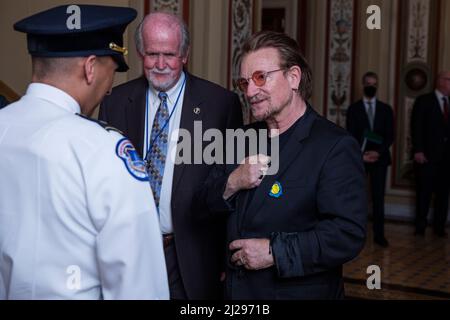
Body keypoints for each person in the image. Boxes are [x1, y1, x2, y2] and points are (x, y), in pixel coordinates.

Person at [0, 5, 169, 300]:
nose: (108, 90)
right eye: (112, 72)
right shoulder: (104, 149)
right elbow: (139, 286)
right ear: (90, 68)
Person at [199, 31, 367, 300]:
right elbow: (202, 205)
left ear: (293, 77)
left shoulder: (334, 146)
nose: (250, 92)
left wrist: (274, 252)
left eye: (261, 77)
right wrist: (232, 182)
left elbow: (347, 234)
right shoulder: (239, 138)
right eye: (245, 82)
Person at [99, 12, 243, 299]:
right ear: (141, 52)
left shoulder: (220, 104)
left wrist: (227, 257)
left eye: (169, 54)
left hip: (191, 255)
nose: (161, 64)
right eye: (152, 54)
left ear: (185, 54)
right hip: (128, 252)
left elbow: (231, 188)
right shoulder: (114, 102)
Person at [346, 72, 394, 248]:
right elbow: (350, 134)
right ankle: (356, 235)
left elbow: (390, 136)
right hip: (360, 159)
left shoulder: (386, 109)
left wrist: (377, 153)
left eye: (374, 84)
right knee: (358, 197)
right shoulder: (353, 109)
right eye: (368, 83)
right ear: (362, 84)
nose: (371, 86)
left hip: (380, 159)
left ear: (377, 85)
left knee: (378, 197)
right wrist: (362, 154)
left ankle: (379, 235)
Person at [411, 71, 450, 238]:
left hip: (447, 158)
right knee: (424, 193)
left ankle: (439, 227)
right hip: (427, 156)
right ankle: (420, 226)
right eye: (449, 79)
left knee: (443, 194)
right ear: (440, 81)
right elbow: (416, 127)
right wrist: (418, 150)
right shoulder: (424, 100)